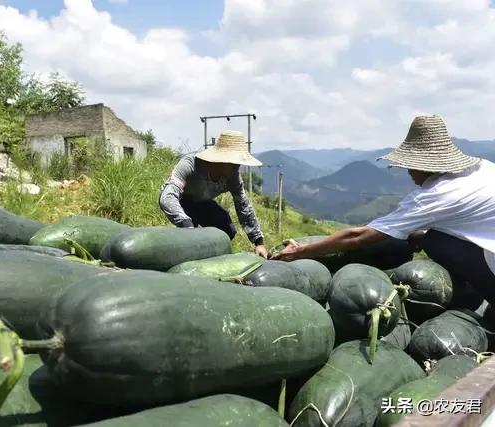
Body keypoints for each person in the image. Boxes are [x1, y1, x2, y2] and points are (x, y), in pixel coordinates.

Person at [271, 114, 495, 305]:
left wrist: (302, 252)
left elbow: (357, 237)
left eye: (408, 165)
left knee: (435, 240)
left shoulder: (435, 195)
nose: (407, 172)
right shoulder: (482, 168)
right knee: (428, 237)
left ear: (422, 164)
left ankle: (469, 296)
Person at [159, 130, 268, 258]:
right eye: (234, 162)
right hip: (182, 203)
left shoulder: (233, 177)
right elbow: (167, 197)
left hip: (203, 203)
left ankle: (211, 256)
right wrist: (186, 225)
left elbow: (243, 206)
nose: (238, 166)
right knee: (189, 238)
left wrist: (258, 242)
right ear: (222, 159)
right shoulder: (190, 164)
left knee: (228, 230)